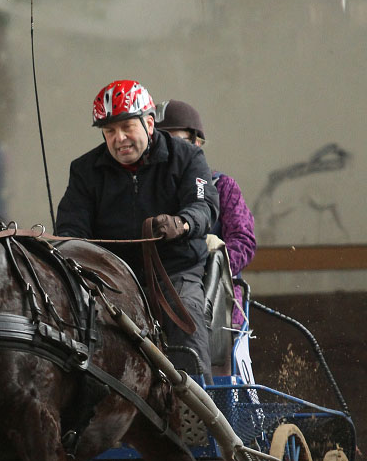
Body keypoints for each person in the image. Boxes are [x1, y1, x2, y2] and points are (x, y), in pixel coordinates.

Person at [56, 79, 219, 380]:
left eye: (127, 127)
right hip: (109, 279)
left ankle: (197, 416)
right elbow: (70, 228)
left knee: (186, 316)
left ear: (149, 122)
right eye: (109, 131)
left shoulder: (188, 157)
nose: (119, 139)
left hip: (174, 272)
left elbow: (204, 206)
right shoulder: (84, 170)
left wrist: (181, 223)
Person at [155, 99, 256, 327]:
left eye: (177, 141)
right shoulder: (146, 189)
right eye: (161, 141)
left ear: (197, 142)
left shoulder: (223, 187)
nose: (171, 150)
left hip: (217, 298)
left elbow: (244, 241)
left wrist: (210, 263)